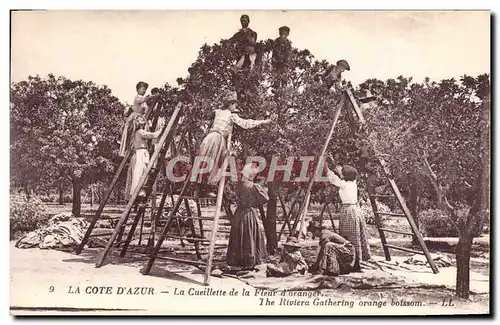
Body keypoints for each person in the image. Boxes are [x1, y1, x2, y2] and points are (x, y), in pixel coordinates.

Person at [196, 90, 273, 191]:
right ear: (231, 104)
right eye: (234, 105)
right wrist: (263, 121)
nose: (235, 107)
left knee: (205, 161)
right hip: (217, 139)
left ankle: (200, 187)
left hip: (209, 138)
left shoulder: (217, 112)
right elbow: (246, 124)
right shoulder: (231, 115)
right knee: (216, 162)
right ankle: (207, 187)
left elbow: (208, 123)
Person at [324, 157, 371, 271]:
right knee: (354, 236)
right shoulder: (352, 183)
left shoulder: (344, 184)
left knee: (350, 236)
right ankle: (356, 261)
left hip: (349, 211)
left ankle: (353, 262)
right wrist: (334, 163)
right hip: (353, 209)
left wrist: (327, 169)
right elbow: (340, 174)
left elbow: (334, 179)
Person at [226, 163, 269, 269]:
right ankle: (249, 260)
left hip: (239, 213)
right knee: (249, 236)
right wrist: (255, 202)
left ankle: (237, 260)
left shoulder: (238, 185)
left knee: (239, 235)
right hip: (249, 213)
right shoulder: (253, 186)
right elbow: (265, 198)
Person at [125, 115, 164, 203]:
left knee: (141, 173)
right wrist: (161, 129)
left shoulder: (137, 132)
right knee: (139, 174)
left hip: (141, 153)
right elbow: (153, 135)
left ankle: (139, 194)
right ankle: (138, 194)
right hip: (140, 154)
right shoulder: (140, 132)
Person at [119, 81, 159, 157]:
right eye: (143, 89)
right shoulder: (137, 97)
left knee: (142, 134)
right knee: (133, 134)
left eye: (145, 89)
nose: (144, 91)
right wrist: (153, 96)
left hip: (141, 119)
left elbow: (148, 107)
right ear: (138, 89)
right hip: (135, 118)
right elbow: (144, 99)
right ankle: (129, 148)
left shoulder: (144, 102)